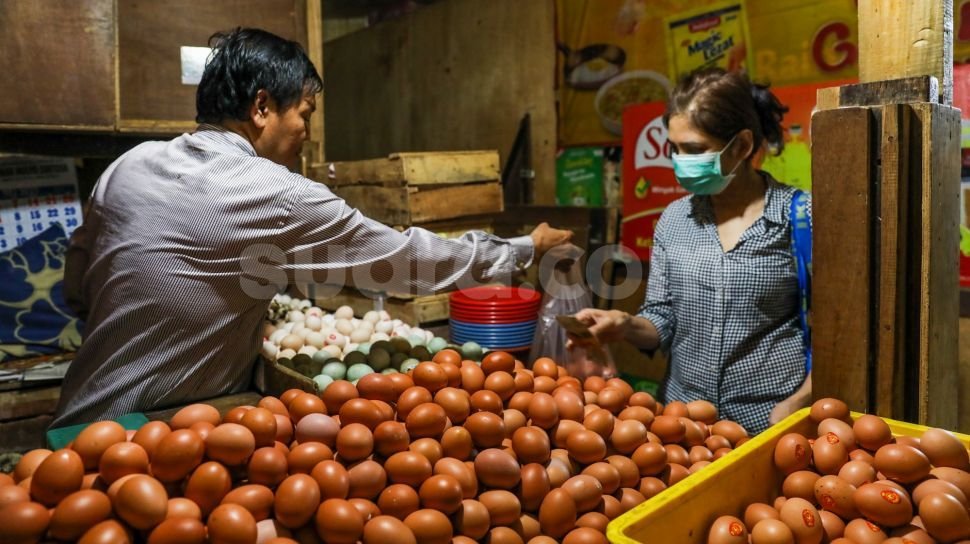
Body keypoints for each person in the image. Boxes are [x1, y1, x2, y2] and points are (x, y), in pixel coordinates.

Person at [54, 28, 571, 427]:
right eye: (304, 113)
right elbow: (409, 262)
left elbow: (77, 286)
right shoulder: (276, 193)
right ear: (261, 107)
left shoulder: (131, 164)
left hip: (77, 415)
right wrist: (525, 247)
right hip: (151, 432)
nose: (306, 131)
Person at [572, 68, 811, 434]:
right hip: (684, 424)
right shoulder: (674, 219)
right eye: (675, 149)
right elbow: (662, 317)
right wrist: (625, 326)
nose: (681, 161)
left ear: (743, 146)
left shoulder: (801, 218)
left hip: (769, 423)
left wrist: (795, 407)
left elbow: (835, 335)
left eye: (695, 150)